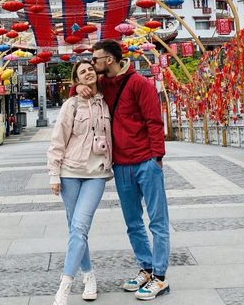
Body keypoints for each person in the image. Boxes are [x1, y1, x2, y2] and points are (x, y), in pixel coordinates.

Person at [75, 39, 170, 301]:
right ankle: (146, 267)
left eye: (96, 59)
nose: (93, 64)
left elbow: (153, 121)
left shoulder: (140, 83)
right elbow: (80, 87)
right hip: (121, 164)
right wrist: (80, 85)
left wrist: (157, 157)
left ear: (111, 60)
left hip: (146, 162)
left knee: (158, 221)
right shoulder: (104, 85)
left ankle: (160, 277)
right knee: (133, 223)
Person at [47, 61, 113, 304]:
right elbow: (58, 140)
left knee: (80, 227)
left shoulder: (108, 100)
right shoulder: (71, 104)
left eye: (90, 69)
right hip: (70, 172)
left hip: (96, 173)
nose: (88, 73)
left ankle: (64, 287)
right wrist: (54, 174)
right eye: (82, 71)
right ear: (76, 79)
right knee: (76, 230)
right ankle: (89, 275)